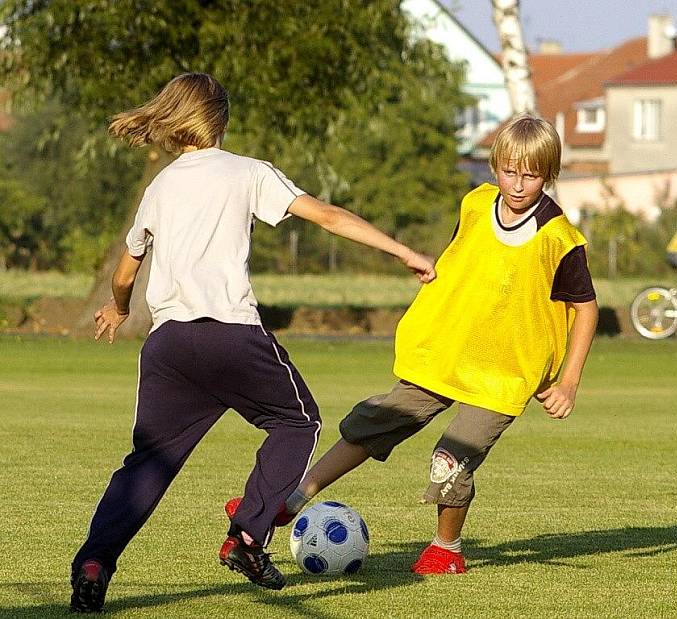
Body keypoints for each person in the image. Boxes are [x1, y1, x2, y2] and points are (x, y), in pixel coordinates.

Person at [69, 72, 436, 612]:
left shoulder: (161, 186)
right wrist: (401, 250)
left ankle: (94, 563)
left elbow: (126, 273)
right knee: (297, 422)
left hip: (168, 344)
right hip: (231, 335)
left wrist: (119, 309)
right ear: (221, 118)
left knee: (147, 463)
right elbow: (328, 216)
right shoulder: (247, 172)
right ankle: (246, 535)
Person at [227, 114, 599, 574]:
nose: (518, 184)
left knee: (450, 460)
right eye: (509, 171)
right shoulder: (477, 204)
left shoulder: (560, 239)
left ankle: (447, 549)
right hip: (446, 352)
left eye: (532, 174)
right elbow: (465, 264)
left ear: (550, 173)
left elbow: (586, 308)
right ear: (494, 166)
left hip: (503, 374)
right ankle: (291, 500)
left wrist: (568, 381)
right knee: (375, 419)